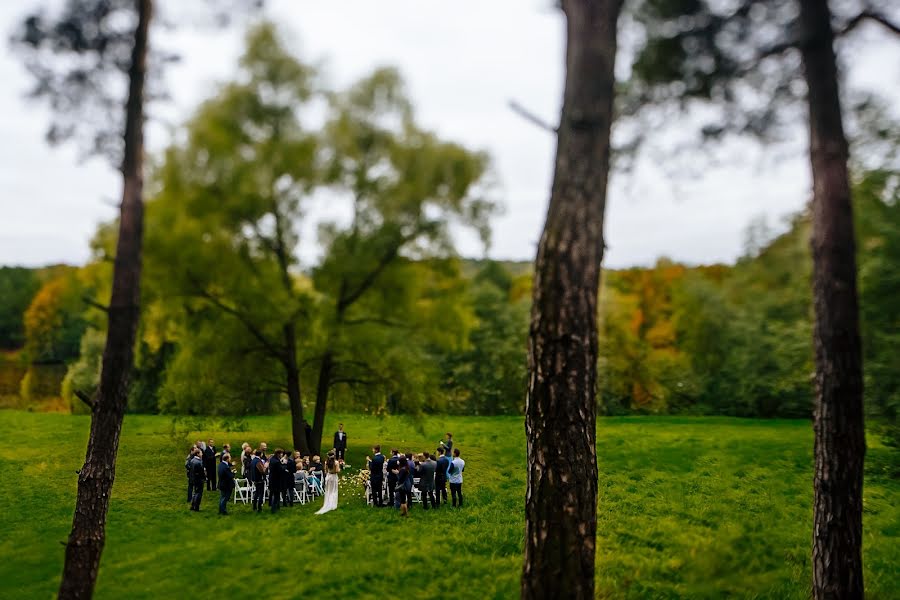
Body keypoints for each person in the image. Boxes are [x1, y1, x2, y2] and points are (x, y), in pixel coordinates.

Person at [268, 449, 285, 513]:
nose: (282, 455)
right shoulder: (277, 462)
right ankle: (274, 508)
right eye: (281, 454)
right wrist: (283, 466)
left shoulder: (272, 459)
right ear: (278, 454)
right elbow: (280, 470)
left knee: (274, 494)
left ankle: (277, 507)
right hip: (276, 480)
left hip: (272, 479)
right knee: (276, 495)